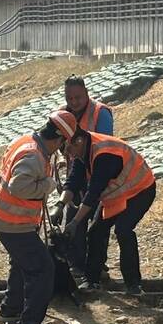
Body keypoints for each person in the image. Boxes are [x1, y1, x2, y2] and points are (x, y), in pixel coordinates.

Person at [0, 110, 78, 324]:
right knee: (43, 269)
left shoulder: (26, 141)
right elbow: (18, 187)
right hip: (13, 222)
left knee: (21, 263)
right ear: (59, 141)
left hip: (6, 218)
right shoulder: (34, 156)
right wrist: (47, 185)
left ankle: (10, 309)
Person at [53, 127, 156, 296]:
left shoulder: (104, 154)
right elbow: (73, 182)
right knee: (96, 231)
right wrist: (59, 205)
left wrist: (74, 222)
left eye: (69, 149)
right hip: (118, 194)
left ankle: (133, 285)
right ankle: (92, 280)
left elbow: (93, 193)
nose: (70, 155)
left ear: (78, 141)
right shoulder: (84, 150)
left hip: (140, 190)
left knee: (123, 230)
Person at [51, 75, 113, 283]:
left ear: (86, 94)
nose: (74, 102)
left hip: (98, 173)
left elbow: (102, 148)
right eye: (70, 98)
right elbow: (57, 143)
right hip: (75, 171)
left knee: (97, 223)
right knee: (73, 221)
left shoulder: (100, 114)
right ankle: (76, 265)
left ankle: (97, 266)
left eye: (78, 97)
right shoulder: (63, 114)